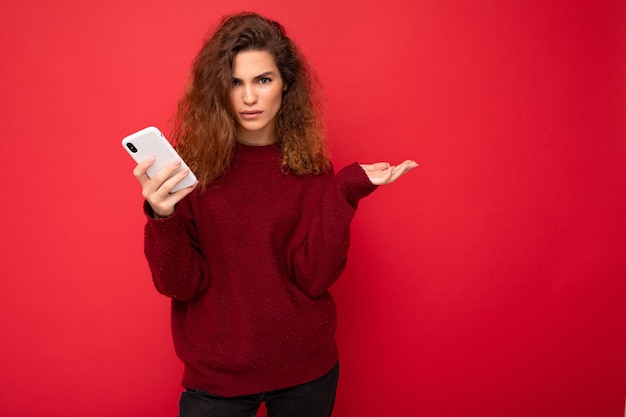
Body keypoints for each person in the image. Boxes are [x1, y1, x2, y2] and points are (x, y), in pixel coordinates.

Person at [132, 11, 417, 417]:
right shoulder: (189, 170)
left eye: (262, 80)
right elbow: (180, 285)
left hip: (306, 371)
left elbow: (314, 276)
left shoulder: (310, 166)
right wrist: (163, 215)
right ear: (217, 89)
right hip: (217, 378)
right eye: (235, 82)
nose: (249, 97)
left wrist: (344, 191)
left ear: (285, 84)